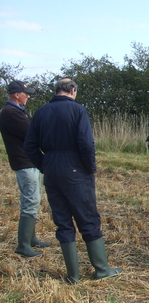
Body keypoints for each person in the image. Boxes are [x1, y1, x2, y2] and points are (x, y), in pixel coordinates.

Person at [24, 79, 121, 283]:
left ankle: (73, 275)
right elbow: (86, 144)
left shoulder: (40, 112)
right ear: (73, 90)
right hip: (75, 168)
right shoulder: (78, 110)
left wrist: (45, 165)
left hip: (51, 167)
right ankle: (101, 268)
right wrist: (90, 167)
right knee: (87, 217)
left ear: (57, 90)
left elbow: (29, 146)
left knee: (62, 222)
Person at [0, 80, 50, 257]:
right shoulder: (10, 113)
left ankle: (31, 239)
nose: (28, 96)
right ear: (16, 94)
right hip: (24, 162)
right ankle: (23, 245)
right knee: (30, 201)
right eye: (25, 93)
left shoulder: (16, 111)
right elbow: (31, 133)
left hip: (29, 162)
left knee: (32, 200)